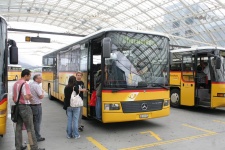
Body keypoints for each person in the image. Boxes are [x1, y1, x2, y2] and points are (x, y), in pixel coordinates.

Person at [12, 69, 45, 150]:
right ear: (26, 75)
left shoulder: (15, 83)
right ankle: (34, 147)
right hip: (25, 107)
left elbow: (13, 98)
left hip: (17, 107)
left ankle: (18, 146)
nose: (30, 77)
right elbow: (27, 96)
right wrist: (30, 96)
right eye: (29, 76)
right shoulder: (25, 84)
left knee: (18, 127)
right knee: (30, 128)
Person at [29, 74, 45, 142]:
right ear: (36, 79)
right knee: (37, 122)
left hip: (31, 105)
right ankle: (37, 136)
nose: (41, 79)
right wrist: (43, 92)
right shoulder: (36, 86)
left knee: (33, 121)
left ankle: (33, 136)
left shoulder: (30, 84)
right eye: (40, 78)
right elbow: (41, 96)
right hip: (37, 105)